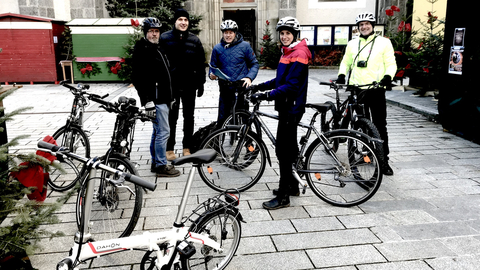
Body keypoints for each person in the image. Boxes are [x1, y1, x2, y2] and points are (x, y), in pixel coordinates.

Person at [248, 17, 312, 210]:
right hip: (286, 106)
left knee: (283, 152)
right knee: (289, 149)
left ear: (295, 35)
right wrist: (258, 86)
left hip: (291, 107)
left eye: (288, 33)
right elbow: (279, 80)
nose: (284, 36)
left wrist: (266, 95)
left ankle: (284, 196)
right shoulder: (288, 51)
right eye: (282, 33)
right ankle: (292, 186)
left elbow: (291, 86)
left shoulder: (299, 53)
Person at [336, 12, 396, 176]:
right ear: (358, 27)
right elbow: (346, 62)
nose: (364, 26)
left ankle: (384, 161)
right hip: (357, 89)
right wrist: (342, 74)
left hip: (376, 89)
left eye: (367, 23)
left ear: (372, 25)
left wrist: (387, 77)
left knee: (380, 126)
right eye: (361, 24)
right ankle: (366, 153)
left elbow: (391, 63)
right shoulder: (352, 43)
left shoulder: (383, 43)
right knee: (362, 125)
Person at [132, 17, 180, 177]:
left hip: (163, 98)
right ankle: (161, 165)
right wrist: (147, 101)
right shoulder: (142, 49)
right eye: (151, 31)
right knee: (164, 132)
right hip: (155, 100)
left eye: (157, 31)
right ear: (146, 32)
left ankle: (155, 162)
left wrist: (171, 96)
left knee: (158, 131)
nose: (154, 34)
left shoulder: (159, 47)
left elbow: (166, 75)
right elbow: (138, 78)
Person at [160, 9, 206, 160]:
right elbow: (159, 63)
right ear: (175, 21)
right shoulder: (165, 38)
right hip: (171, 86)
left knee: (189, 117)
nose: (183, 22)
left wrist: (201, 83)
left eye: (185, 20)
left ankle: (187, 147)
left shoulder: (194, 40)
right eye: (180, 19)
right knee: (172, 117)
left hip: (189, 85)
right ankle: (169, 148)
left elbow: (200, 63)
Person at [209, 19, 259, 124]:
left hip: (241, 88)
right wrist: (211, 74)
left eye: (230, 32)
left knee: (243, 117)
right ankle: (221, 139)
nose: (228, 35)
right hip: (225, 89)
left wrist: (249, 77)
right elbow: (213, 66)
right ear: (222, 33)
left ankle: (245, 139)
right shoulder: (217, 48)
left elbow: (254, 64)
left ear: (235, 33)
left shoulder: (245, 46)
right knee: (223, 118)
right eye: (225, 33)